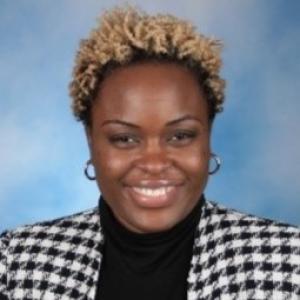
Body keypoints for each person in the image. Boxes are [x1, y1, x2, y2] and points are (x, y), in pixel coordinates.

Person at [0, 6, 299, 300]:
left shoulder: (288, 262)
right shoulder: (16, 261)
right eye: (125, 138)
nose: (154, 164)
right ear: (91, 141)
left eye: (180, 136)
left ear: (208, 136)